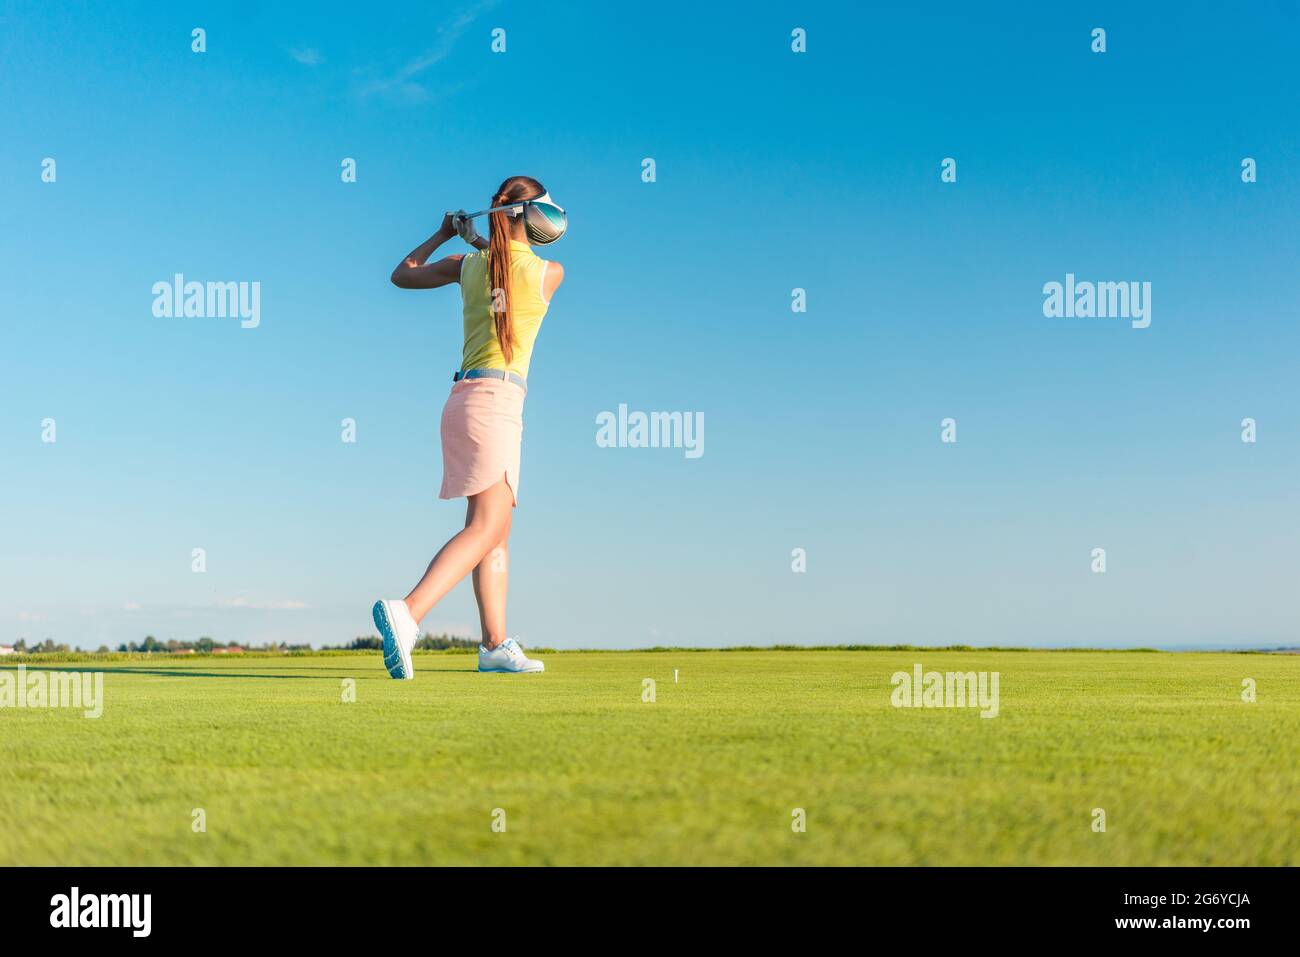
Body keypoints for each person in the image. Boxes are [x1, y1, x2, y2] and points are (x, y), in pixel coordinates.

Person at [372, 175, 565, 678]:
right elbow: (510, 267)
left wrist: (445, 235)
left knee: (494, 532)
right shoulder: (550, 271)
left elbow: (403, 274)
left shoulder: (466, 267)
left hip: (463, 402)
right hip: (498, 403)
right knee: (486, 527)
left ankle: (494, 645)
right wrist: (474, 237)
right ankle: (409, 612)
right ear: (529, 216)